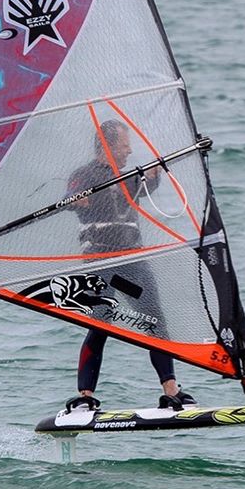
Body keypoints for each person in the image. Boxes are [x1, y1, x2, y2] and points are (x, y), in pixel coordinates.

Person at [66, 119, 196, 411]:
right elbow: (68, 199)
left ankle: (171, 391)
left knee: (155, 320)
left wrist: (157, 169)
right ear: (108, 146)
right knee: (101, 324)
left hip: (131, 262)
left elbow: (152, 178)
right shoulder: (83, 175)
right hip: (100, 263)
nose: (128, 151)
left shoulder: (129, 178)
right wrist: (79, 201)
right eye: (124, 146)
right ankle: (85, 399)